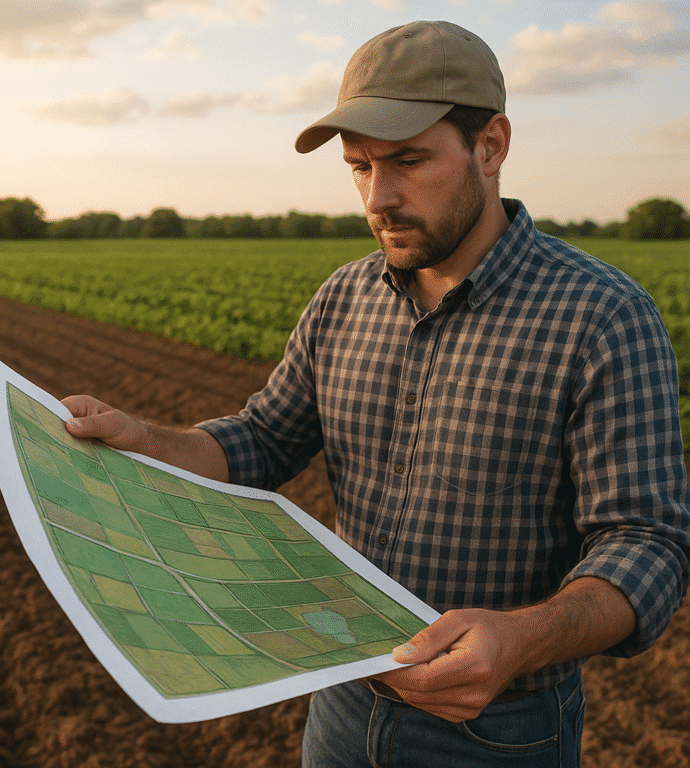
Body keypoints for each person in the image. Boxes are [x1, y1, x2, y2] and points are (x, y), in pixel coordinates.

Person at [63, 20, 690, 768]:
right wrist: (150, 441)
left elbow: (649, 543)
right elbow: (264, 438)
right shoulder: (345, 297)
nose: (378, 197)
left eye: (408, 160)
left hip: (500, 730)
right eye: (359, 166)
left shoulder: (602, 317)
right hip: (340, 703)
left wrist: (520, 638)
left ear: (490, 146)